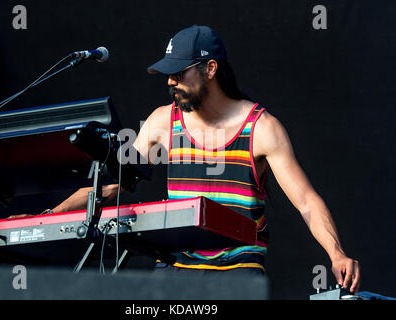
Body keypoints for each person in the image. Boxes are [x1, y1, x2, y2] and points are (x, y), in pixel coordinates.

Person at [46, 25, 360, 294]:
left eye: (178, 73)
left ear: (210, 69)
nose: (170, 82)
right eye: (167, 74)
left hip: (239, 265)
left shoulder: (262, 128)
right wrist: (50, 214)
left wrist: (336, 253)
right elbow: (116, 185)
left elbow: (306, 201)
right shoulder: (162, 122)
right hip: (177, 264)